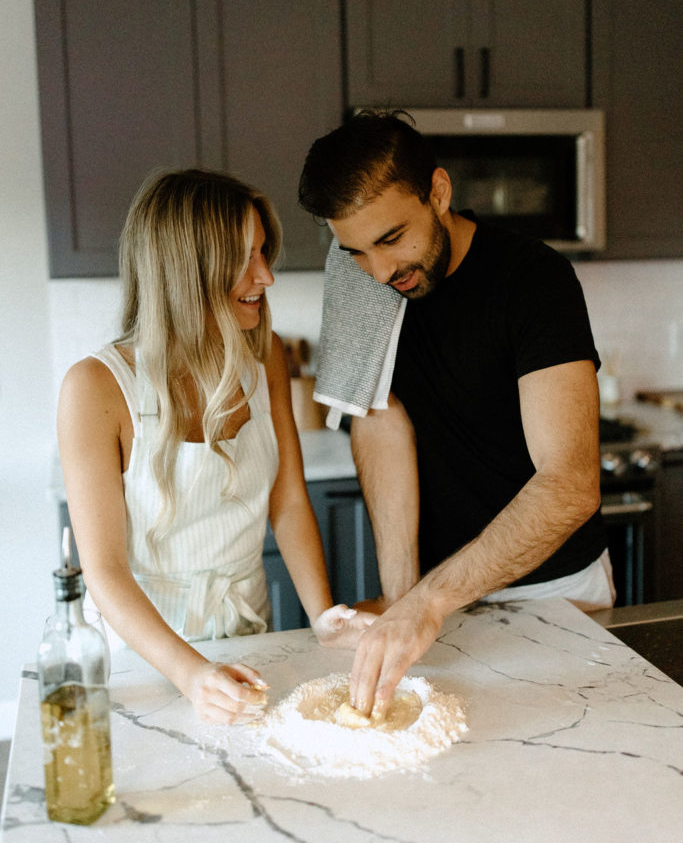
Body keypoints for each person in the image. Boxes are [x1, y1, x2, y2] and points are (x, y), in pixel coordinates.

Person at [298, 110, 615, 718]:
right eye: (356, 249)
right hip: (437, 604)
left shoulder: (534, 278)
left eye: (392, 239)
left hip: (556, 593)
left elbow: (570, 484)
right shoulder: (357, 275)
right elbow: (379, 418)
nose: (381, 271)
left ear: (438, 192)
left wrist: (426, 603)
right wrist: (402, 598)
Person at [58, 169, 373, 726]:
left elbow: (289, 501)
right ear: (186, 270)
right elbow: (104, 571)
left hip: (248, 637)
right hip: (142, 660)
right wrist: (188, 672)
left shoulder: (265, 356)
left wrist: (323, 615)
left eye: (264, 253)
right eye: (246, 257)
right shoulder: (95, 388)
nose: (267, 277)